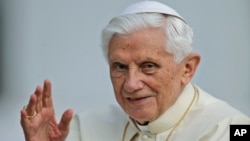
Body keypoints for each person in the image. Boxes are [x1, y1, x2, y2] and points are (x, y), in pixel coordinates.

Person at [20, 1, 250, 141]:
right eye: (120, 67)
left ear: (187, 69)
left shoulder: (232, 128)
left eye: (148, 66)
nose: (131, 84)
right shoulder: (85, 129)